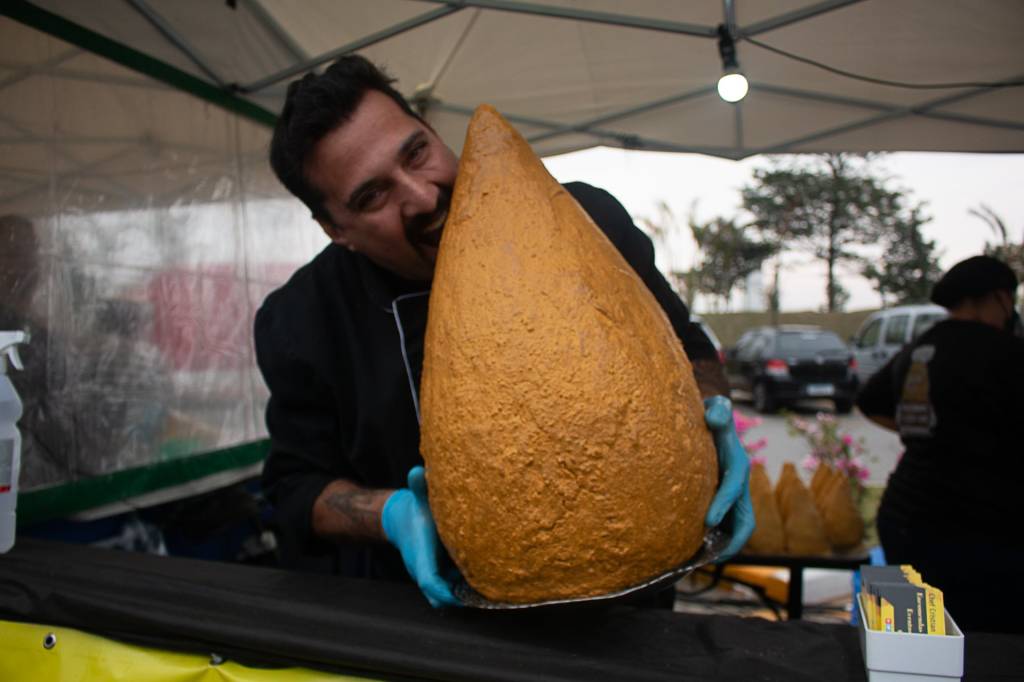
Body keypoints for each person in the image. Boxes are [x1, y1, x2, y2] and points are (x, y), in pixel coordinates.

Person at [256, 55, 753, 607]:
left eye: (416, 152)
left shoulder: (586, 220)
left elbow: (689, 348)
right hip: (431, 620)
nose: (422, 197)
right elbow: (295, 488)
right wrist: (391, 514)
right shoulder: (302, 319)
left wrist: (710, 416)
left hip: (633, 602)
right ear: (335, 229)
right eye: (372, 196)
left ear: (432, 131)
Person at [857, 255, 1024, 633]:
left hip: (905, 519)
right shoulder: (1008, 354)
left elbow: (869, 401)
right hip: (984, 530)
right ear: (999, 298)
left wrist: (922, 432)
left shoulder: (922, 346)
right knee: (989, 648)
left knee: (913, 640)